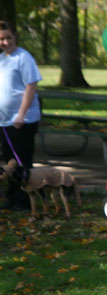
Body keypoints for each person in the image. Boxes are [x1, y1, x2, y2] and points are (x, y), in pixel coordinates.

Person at [0, 21, 41, 210]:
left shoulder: (23, 58)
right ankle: (12, 197)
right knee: (9, 163)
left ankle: (25, 200)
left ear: (15, 37)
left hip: (22, 120)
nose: (5, 42)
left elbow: (31, 86)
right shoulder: (2, 59)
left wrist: (21, 115)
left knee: (21, 161)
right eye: (1, 39)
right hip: (4, 120)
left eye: (8, 37)